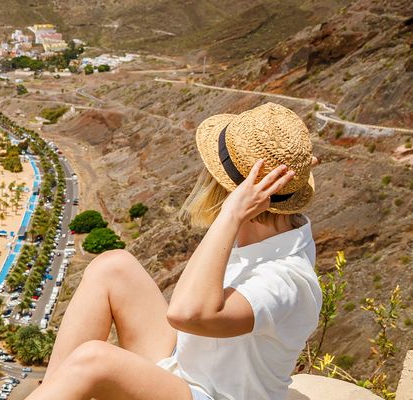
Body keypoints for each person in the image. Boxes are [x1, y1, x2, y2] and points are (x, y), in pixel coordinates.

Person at [23, 103, 322, 400]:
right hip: (190, 369)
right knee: (112, 266)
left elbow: (184, 313)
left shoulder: (286, 280)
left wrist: (229, 217)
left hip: (214, 395)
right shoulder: (263, 237)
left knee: (94, 361)